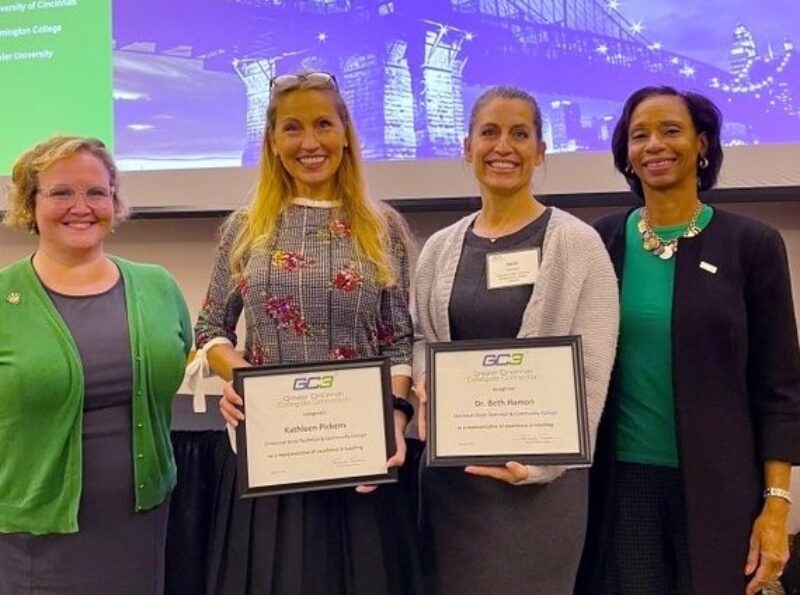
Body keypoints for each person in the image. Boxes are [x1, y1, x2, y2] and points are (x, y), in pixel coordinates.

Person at [193, 71, 423, 595]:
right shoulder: (243, 227)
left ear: (346, 132)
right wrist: (243, 380)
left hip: (361, 451)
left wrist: (394, 415)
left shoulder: (383, 227)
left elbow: (398, 341)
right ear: (273, 142)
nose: (310, 142)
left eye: (323, 124)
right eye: (292, 128)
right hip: (272, 449)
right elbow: (211, 329)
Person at [576, 86, 800, 595]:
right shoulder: (600, 242)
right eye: (640, 135)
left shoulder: (753, 245)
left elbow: (780, 387)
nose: (655, 144)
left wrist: (775, 503)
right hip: (621, 485)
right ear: (626, 155)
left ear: (702, 145)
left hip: (721, 489)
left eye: (671, 130)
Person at [412, 86, 619, 594]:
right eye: (489, 132)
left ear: (541, 151)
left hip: (540, 488)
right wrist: (423, 387)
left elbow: (593, 367)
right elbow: (420, 338)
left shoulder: (577, 243)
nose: (503, 146)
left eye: (520, 134)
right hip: (453, 487)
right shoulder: (439, 248)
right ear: (467, 147)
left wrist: (543, 465)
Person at [0, 136, 192, 594]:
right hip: (35, 537)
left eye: (96, 192)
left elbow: (179, 362)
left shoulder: (158, 287)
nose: (80, 207)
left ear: (114, 201)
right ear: (30, 203)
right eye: (61, 192)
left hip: (140, 524)